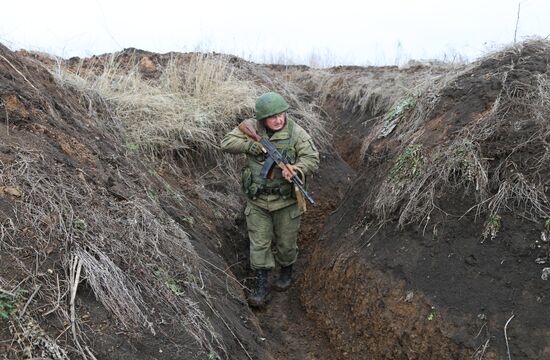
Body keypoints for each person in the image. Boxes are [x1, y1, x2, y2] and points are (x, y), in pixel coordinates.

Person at [221, 92, 319, 307]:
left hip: (286, 203)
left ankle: (286, 271)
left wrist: (297, 168)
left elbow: (312, 158)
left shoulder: (296, 133)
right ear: (262, 119)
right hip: (257, 202)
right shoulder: (252, 129)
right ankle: (261, 284)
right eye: (272, 116)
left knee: (286, 244)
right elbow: (226, 143)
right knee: (259, 245)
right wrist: (254, 146)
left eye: (281, 114)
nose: (278, 120)